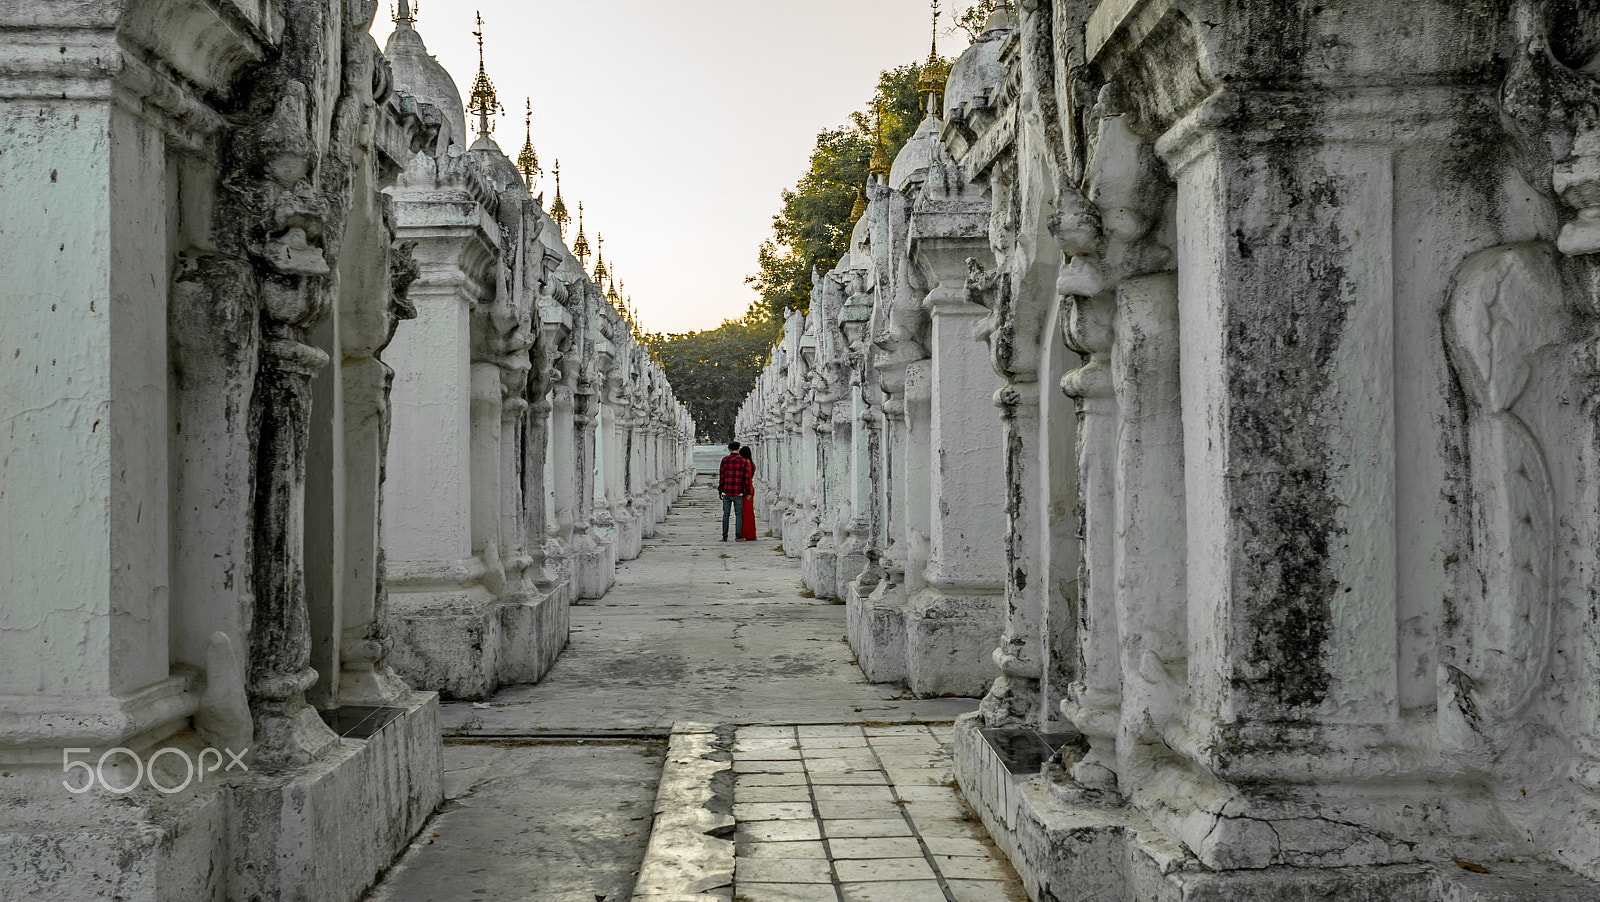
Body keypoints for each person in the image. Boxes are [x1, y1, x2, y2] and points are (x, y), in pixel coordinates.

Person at [717, 441, 752, 541]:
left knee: (726, 514)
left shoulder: (725, 460)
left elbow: (722, 477)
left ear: (729, 449)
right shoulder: (743, 461)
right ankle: (738, 536)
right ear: (739, 449)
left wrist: (720, 491)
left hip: (726, 491)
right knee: (738, 514)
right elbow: (746, 479)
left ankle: (724, 537)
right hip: (739, 492)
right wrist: (748, 492)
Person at [738, 446, 758, 541]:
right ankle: (750, 533)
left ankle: (747, 534)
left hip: (746, 489)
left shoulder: (746, 464)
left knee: (745, 513)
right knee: (748, 512)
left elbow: (746, 479)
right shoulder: (752, 464)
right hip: (750, 488)